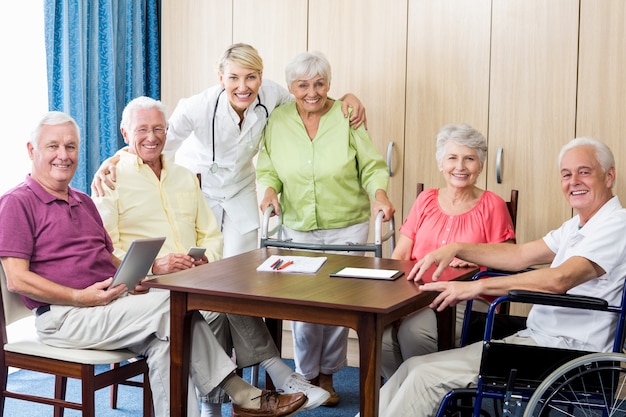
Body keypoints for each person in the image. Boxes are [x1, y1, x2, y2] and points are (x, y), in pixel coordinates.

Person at [0, 111, 308, 417]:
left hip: (109, 304)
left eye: (70, 147)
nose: (63, 155)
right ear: (31, 150)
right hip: (65, 316)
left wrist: (131, 278)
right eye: (53, 146)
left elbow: (107, 257)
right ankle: (244, 395)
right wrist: (81, 296)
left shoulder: (82, 201)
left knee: (166, 346)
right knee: (172, 308)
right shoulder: (17, 202)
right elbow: (17, 279)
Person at [92, 96, 329, 417]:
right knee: (210, 310)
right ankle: (277, 378)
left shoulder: (183, 176)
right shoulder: (111, 177)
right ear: (124, 132)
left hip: (190, 278)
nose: (152, 137)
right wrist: (154, 266)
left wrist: (204, 260)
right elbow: (106, 249)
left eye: (159, 128)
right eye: (142, 129)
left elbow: (210, 234)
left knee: (224, 295)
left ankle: (215, 407)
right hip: (145, 287)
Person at [365, 137, 626, 417]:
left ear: (609, 176)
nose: (573, 181)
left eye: (584, 172)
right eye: (566, 174)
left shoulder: (616, 225)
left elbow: (559, 280)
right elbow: (521, 255)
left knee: (425, 378)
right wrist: (456, 248)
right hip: (539, 339)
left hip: (568, 350)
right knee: (412, 367)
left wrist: (476, 287)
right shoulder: (577, 225)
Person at [91, 43, 367, 258]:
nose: (243, 87)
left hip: (239, 188)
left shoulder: (272, 96)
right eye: (234, 77)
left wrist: (345, 99)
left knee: (242, 267)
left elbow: (309, 100)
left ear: (261, 77)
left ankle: (235, 327)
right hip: (198, 188)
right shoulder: (197, 107)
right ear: (221, 78)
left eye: (251, 77)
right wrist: (115, 159)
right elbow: (156, 141)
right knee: (200, 261)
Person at [256, 50, 395, 406]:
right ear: (291, 87)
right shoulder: (279, 119)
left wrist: (379, 194)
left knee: (338, 304)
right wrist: (270, 189)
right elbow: (268, 166)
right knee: (303, 305)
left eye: (319, 83)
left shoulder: (346, 115)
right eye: (302, 85)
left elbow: (372, 165)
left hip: (347, 224)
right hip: (299, 225)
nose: (311, 92)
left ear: (329, 84)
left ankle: (328, 376)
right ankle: (304, 377)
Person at [381, 123, 516, 378]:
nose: (460, 167)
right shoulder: (425, 200)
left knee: (414, 331)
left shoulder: (493, 205)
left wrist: (475, 256)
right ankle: (405, 397)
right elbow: (399, 256)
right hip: (413, 294)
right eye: (452, 158)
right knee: (381, 335)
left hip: (467, 297)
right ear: (441, 164)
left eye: (469, 159)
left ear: (481, 166)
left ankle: (426, 397)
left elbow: (508, 259)